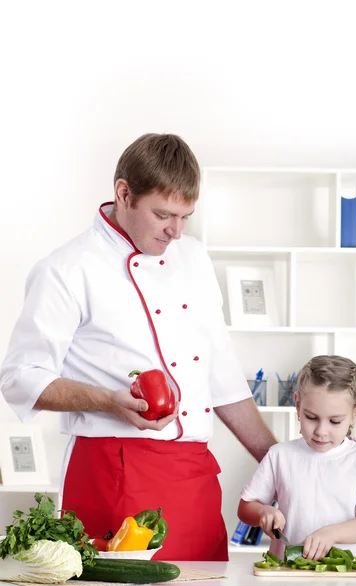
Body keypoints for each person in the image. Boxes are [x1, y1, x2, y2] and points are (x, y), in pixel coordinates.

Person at [0, 133, 277, 561]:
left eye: (186, 216)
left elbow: (220, 374)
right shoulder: (66, 268)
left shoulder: (195, 258)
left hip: (195, 477)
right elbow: (20, 378)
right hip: (114, 473)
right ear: (124, 193)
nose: (176, 231)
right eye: (163, 214)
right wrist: (108, 401)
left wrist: (282, 464)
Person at [238, 355, 356, 561]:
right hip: (286, 571)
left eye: (335, 421)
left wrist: (331, 533)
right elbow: (245, 507)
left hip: (347, 576)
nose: (321, 431)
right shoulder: (281, 455)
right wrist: (263, 512)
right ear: (297, 405)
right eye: (311, 418)